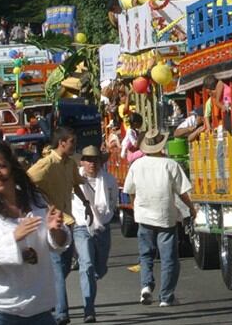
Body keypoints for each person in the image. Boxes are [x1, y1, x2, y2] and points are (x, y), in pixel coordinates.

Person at [0, 142, 71, 325]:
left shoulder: (36, 202)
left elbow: (57, 244)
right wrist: (13, 237)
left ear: (12, 168)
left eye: (1, 166)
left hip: (36, 308)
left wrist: (56, 230)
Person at [27, 127, 93, 325]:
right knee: (56, 269)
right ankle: (62, 314)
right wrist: (42, 203)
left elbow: (74, 184)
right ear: (62, 142)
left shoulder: (70, 164)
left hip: (68, 222)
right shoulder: (46, 164)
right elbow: (27, 182)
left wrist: (86, 203)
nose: (74, 145)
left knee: (63, 268)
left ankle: (52, 300)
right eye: (72, 141)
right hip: (52, 224)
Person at [123, 129, 196, 308]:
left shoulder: (137, 165)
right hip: (165, 217)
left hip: (144, 216)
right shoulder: (170, 165)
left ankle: (146, 286)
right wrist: (192, 208)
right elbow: (183, 192)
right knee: (168, 258)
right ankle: (166, 296)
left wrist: (136, 207)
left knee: (146, 255)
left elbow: (130, 191)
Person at [71, 146, 118, 323]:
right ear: (82, 161)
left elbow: (112, 201)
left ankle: (94, 278)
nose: (92, 163)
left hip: (102, 227)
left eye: (95, 160)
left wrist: (106, 216)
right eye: (88, 160)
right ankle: (88, 309)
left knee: (100, 267)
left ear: (100, 162)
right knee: (87, 265)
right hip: (81, 226)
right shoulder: (75, 178)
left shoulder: (108, 180)